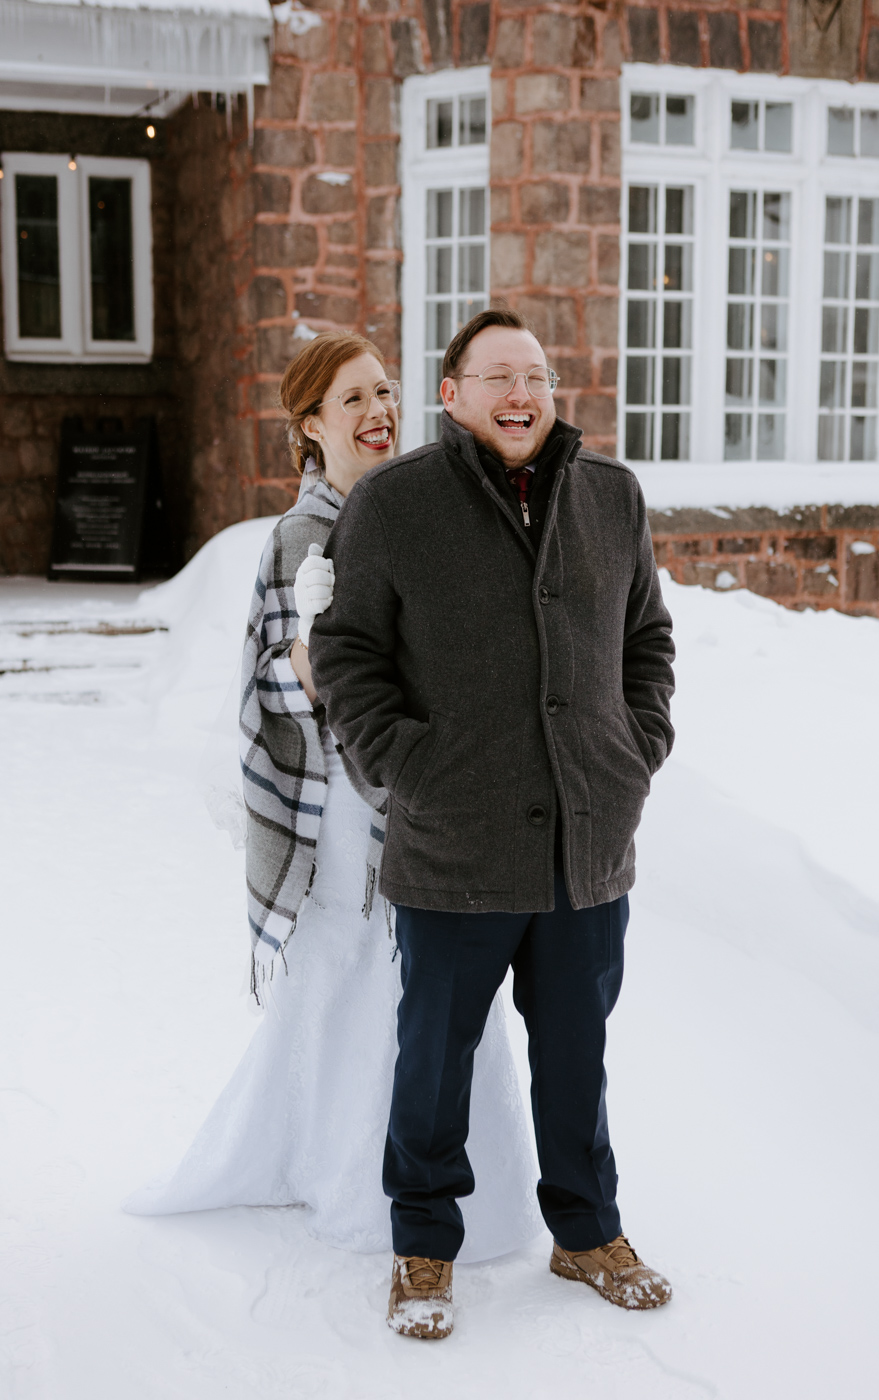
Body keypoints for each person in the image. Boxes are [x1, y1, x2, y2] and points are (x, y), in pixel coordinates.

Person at [124, 331, 541, 1265]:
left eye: (384, 391)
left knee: (440, 986)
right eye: (350, 399)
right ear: (310, 426)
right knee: (368, 979)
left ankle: (470, 1189)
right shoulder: (299, 536)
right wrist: (315, 667)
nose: (376, 411)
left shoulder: (423, 512)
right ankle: (353, 1177)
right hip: (349, 807)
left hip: (438, 791)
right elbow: (268, 678)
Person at [308, 309, 677, 1339]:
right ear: (453, 393)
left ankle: (587, 1229)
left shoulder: (611, 496)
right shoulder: (392, 505)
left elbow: (647, 636)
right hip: (453, 844)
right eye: (497, 377)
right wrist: (405, 765)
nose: (522, 394)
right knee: (433, 1059)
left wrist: (633, 748)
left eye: (537, 375)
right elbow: (345, 655)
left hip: (585, 842)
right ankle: (423, 1249)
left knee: (575, 1050)